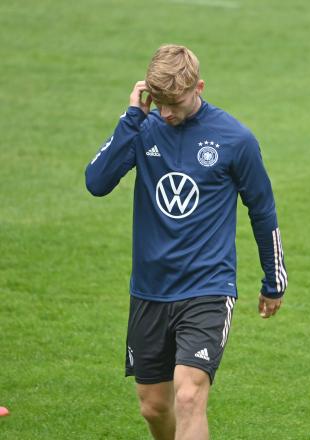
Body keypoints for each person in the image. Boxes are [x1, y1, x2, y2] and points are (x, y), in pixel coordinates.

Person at [85, 44, 288, 440]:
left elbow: (263, 210)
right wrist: (131, 118)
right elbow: (96, 183)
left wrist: (273, 279)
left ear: (199, 87)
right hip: (150, 290)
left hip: (207, 288)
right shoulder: (142, 127)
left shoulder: (235, 139)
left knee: (190, 396)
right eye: (158, 102)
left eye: (174, 102)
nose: (166, 113)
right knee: (154, 406)